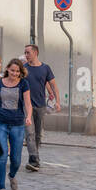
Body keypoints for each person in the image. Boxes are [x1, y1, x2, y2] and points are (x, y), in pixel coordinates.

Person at [0, 59, 32, 190]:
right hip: (1, 122)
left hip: (17, 124)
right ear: (7, 69)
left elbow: (27, 103)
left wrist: (29, 117)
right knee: (1, 157)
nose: (14, 73)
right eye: (12, 70)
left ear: (21, 73)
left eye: (17, 71)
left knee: (16, 159)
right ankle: (1, 188)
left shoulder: (23, 84)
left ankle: (12, 175)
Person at [22, 43, 57, 171]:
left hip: (40, 105)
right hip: (26, 106)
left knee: (37, 135)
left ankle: (35, 158)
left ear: (35, 53)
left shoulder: (45, 68)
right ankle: (33, 160)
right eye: (25, 53)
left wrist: (56, 100)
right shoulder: (23, 68)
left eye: (28, 52)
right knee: (29, 133)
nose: (26, 55)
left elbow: (51, 84)